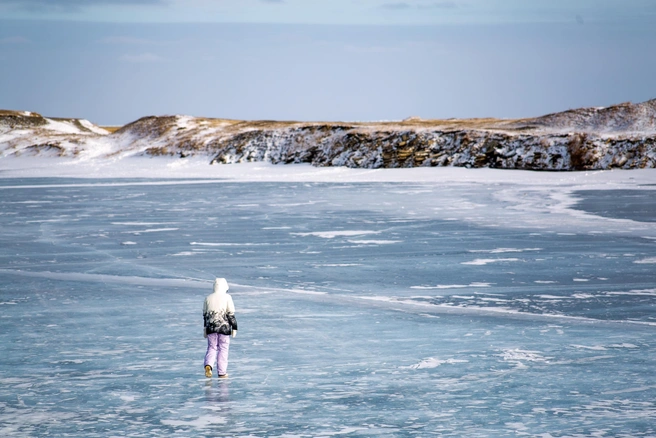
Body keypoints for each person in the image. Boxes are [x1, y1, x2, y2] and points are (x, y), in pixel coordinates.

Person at [203, 278, 238, 378]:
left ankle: (208, 365)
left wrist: (205, 329)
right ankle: (222, 372)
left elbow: (205, 315)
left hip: (211, 327)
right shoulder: (227, 297)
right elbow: (230, 314)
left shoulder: (208, 298)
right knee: (223, 349)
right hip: (224, 328)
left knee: (212, 347)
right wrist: (234, 327)